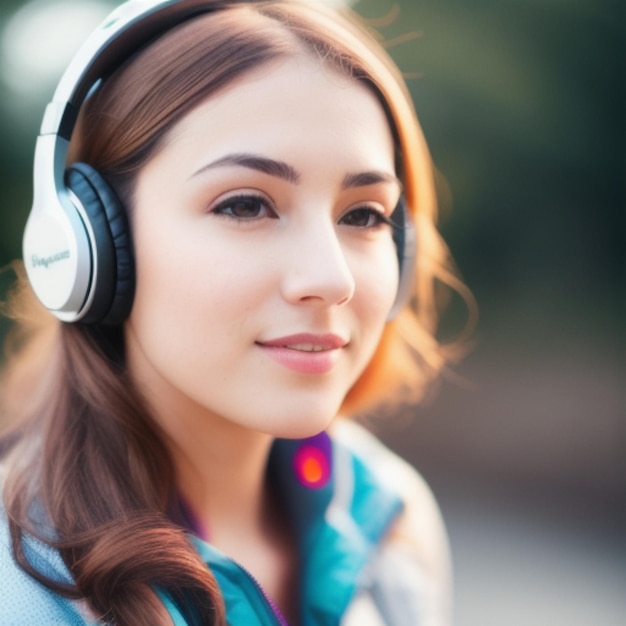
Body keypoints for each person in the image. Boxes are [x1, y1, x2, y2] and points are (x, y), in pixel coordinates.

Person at [0, 0, 471, 624]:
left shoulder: (391, 518)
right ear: (89, 244)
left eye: (365, 214)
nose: (331, 280)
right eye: (246, 205)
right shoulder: (22, 589)